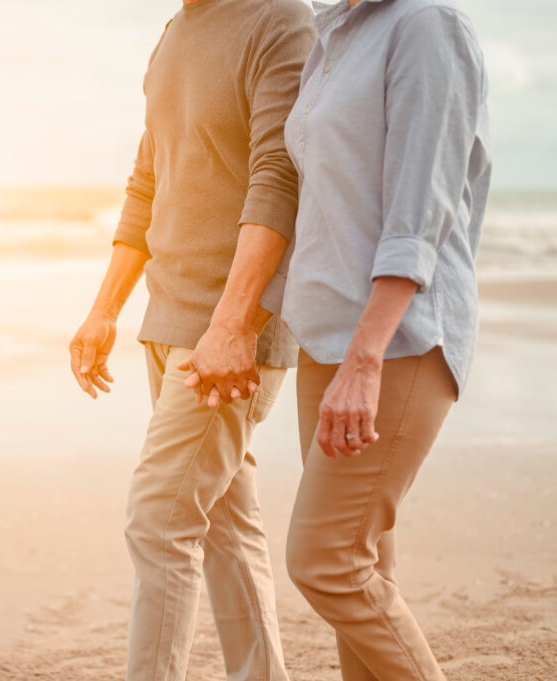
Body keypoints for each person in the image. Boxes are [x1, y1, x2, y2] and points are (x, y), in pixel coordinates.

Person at [185, 0, 491, 679]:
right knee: (363, 563)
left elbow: (421, 210)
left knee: (326, 561)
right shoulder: (334, 32)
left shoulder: (426, 24)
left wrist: (365, 357)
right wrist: (241, 325)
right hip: (325, 339)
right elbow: (318, 210)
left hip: (397, 341)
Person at [68, 1, 315, 679]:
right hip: (166, 322)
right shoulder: (173, 35)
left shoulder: (280, 20)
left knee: (158, 519)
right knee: (228, 530)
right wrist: (105, 308)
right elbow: (147, 182)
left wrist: (234, 325)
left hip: (227, 333)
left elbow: (282, 176)